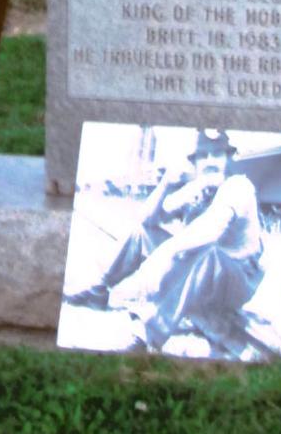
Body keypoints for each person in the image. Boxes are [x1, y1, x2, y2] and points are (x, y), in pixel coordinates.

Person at [66, 129, 264, 355]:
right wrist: (166, 185)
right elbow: (146, 220)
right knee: (142, 234)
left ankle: (147, 335)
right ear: (195, 163)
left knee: (201, 251)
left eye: (217, 154)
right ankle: (98, 290)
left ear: (228, 159)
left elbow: (209, 232)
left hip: (236, 281)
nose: (210, 161)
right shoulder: (197, 188)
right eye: (204, 156)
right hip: (203, 278)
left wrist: (159, 261)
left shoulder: (238, 186)